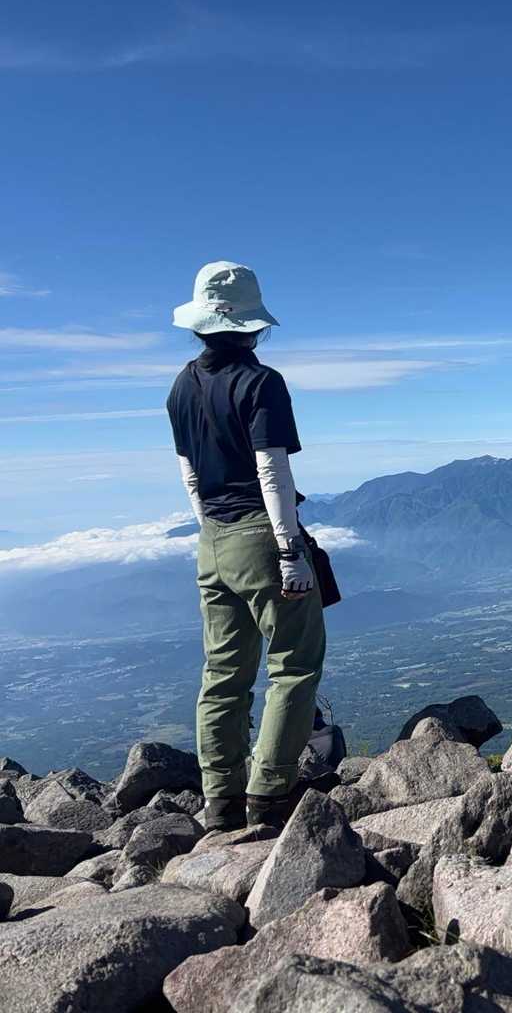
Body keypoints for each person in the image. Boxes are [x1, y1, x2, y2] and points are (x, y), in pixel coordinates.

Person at [166, 261, 325, 831]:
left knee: (224, 672)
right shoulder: (261, 383)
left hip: (212, 539)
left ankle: (220, 799)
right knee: (294, 665)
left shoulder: (181, 386)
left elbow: (189, 472)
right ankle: (269, 794)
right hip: (261, 535)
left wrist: (211, 528)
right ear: (253, 325)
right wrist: (289, 550)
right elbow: (270, 469)